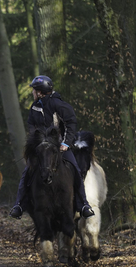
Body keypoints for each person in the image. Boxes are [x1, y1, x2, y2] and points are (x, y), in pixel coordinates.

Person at [9, 75, 95, 219]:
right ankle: (19, 205)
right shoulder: (35, 106)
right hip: (42, 147)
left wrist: (66, 143)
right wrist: (36, 140)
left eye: (34, 90)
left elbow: (71, 124)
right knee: (27, 172)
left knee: (75, 169)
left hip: (61, 146)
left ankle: (84, 205)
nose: (32, 93)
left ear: (40, 92)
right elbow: (31, 125)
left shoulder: (59, 105)